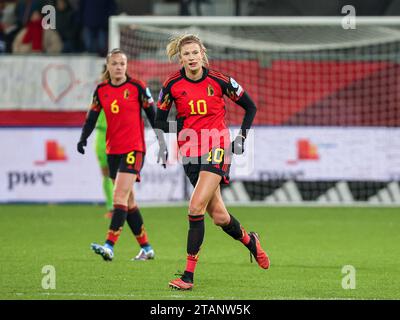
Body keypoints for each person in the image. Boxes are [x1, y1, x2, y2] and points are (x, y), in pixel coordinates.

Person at [155, 34, 270, 290]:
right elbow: (159, 121)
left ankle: (188, 276)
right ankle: (251, 241)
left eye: (195, 53)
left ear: (202, 53)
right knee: (219, 216)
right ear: (180, 58)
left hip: (217, 148)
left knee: (195, 207)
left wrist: (241, 138)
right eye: (187, 54)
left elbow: (250, 106)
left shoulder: (220, 80)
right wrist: (169, 139)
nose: (192, 58)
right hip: (190, 153)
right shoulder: (172, 84)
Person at [77, 48, 168, 261]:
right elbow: (91, 117)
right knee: (128, 202)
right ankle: (146, 249)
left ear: (126, 66)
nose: (119, 67)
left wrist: (162, 145)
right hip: (113, 152)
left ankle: (109, 245)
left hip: (134, 149)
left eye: (122, 64)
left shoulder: (138, 87)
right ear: (108, 66)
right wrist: (83, 138)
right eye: (115, 63)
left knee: (118, 196)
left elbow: (154, 117)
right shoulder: (101, 91)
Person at [94, 109, 114, 218]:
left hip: (116, 134)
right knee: (106, 174)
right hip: (101, 135)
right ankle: (111, 207)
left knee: (119, 174)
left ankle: (122, 206)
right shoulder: (99, 93)